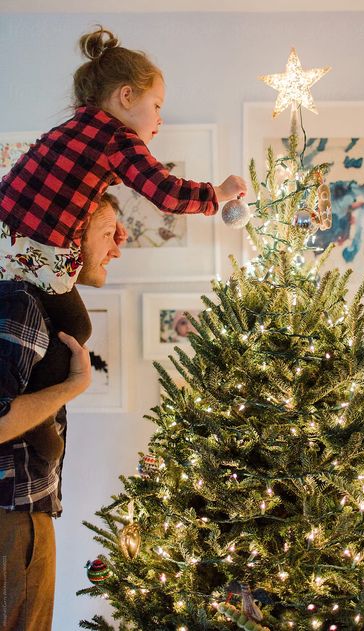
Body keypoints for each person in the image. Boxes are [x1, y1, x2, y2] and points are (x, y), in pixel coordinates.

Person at [0, 24, 246, 453]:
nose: (160, 119)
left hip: (9, 239)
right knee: (76, 325)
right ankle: (35, 421)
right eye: (156, 105)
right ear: (125, 97)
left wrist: (100, 223)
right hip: (32, 255)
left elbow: (61, 198)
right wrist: (218, 194)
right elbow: (165, 192)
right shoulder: (116, 138)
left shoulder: (75, 128)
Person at [0, 194, 122, 631]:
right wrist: (74, 386)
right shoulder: (20, 302)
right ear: (70, 239)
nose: (117, 248)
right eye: (107, 233)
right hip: (12, 518)